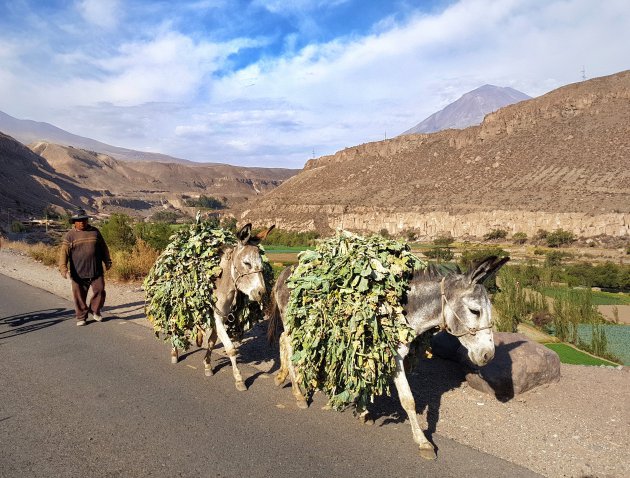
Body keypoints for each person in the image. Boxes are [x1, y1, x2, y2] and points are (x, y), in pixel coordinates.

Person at [58, 208, 112, 326]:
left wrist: (107, 261)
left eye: (84, 220)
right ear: (74, 222)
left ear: (87, 220)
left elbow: (104, 247)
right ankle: (81, 316)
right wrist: (63, 268)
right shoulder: (70, 236)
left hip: (96, 270)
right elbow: (64, 253)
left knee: (100, 290)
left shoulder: (95, 232)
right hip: (78, 272)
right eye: (79, 220)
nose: (82, 222)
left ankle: (95, 310)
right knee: (79, 296)